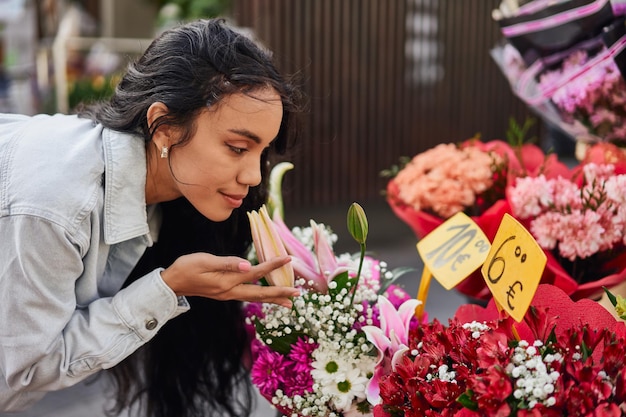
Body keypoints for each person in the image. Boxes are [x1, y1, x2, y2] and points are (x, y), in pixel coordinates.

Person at [0, 18, 304, 417]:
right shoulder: (57, 207)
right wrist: (165, 288)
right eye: (236, 148)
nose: (252, 176)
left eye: (261, 152)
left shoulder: (168, 191)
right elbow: (16, 378)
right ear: (162, 126)